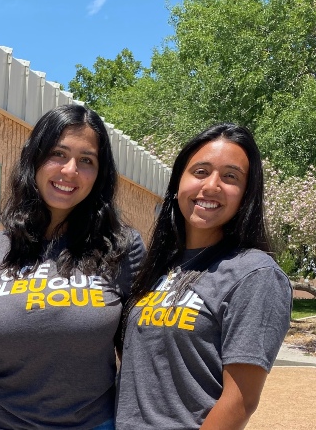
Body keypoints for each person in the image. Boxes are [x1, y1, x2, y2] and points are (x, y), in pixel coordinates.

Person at [0, 104, 145, 430]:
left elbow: (139, 355)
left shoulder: (122, 248)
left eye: (86, 160)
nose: (70, 170)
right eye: (58, 154)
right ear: (34, 159)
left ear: (100, 174)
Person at [115, 123, 291, 429]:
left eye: (230, 177)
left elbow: (241, 401)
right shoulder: (160, 266)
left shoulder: (255, 274)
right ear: (178, 182)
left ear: (246, 195)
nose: (211, 186)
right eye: (200, 171)